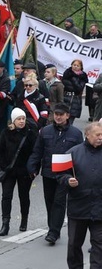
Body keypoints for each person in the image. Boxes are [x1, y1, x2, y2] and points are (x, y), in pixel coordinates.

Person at [27, 102, 84, 245]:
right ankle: (52, 227)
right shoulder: (45, 131)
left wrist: (79, 174)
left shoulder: (76, 134)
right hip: (48, 172)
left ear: (67, 116)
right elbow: (37, 151)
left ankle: (53, 232)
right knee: (49, 201)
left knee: (59, 202)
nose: (58, 117)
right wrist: (32, 167)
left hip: (65, 175)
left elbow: (80, 154)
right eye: (56, 114)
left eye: (61, 115)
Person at [59, 122, 102, 269]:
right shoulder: (73, 153)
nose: (100, 138)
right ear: (88, 135)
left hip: (99, 205)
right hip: (79, 205)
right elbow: (60, 174)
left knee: (99, 242)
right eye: (97, 135)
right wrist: (67, 180)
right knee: (74, 242)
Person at [0, 109, 37, 236]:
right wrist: (3, 166)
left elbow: (36, 152)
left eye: (23, 118)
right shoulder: (6, 132)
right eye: (19, 119)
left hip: (25, 172)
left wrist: (34, 169)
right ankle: (5, 224)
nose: (22, 121)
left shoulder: (30, 133)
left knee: (24, 196)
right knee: (6, 196)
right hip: (9, 171)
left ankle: (24, 220)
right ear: (13, 120)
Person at [61, 59, 87, 125]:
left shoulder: (83, 76)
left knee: (70, 120)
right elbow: (65, 84)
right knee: (62, 118)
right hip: (66, 97)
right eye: (74, 65)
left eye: (77, 65)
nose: (75, 66)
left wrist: (73, 77)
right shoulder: (67, 73)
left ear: (81, 67)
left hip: (76, 99)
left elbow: (79, 88)